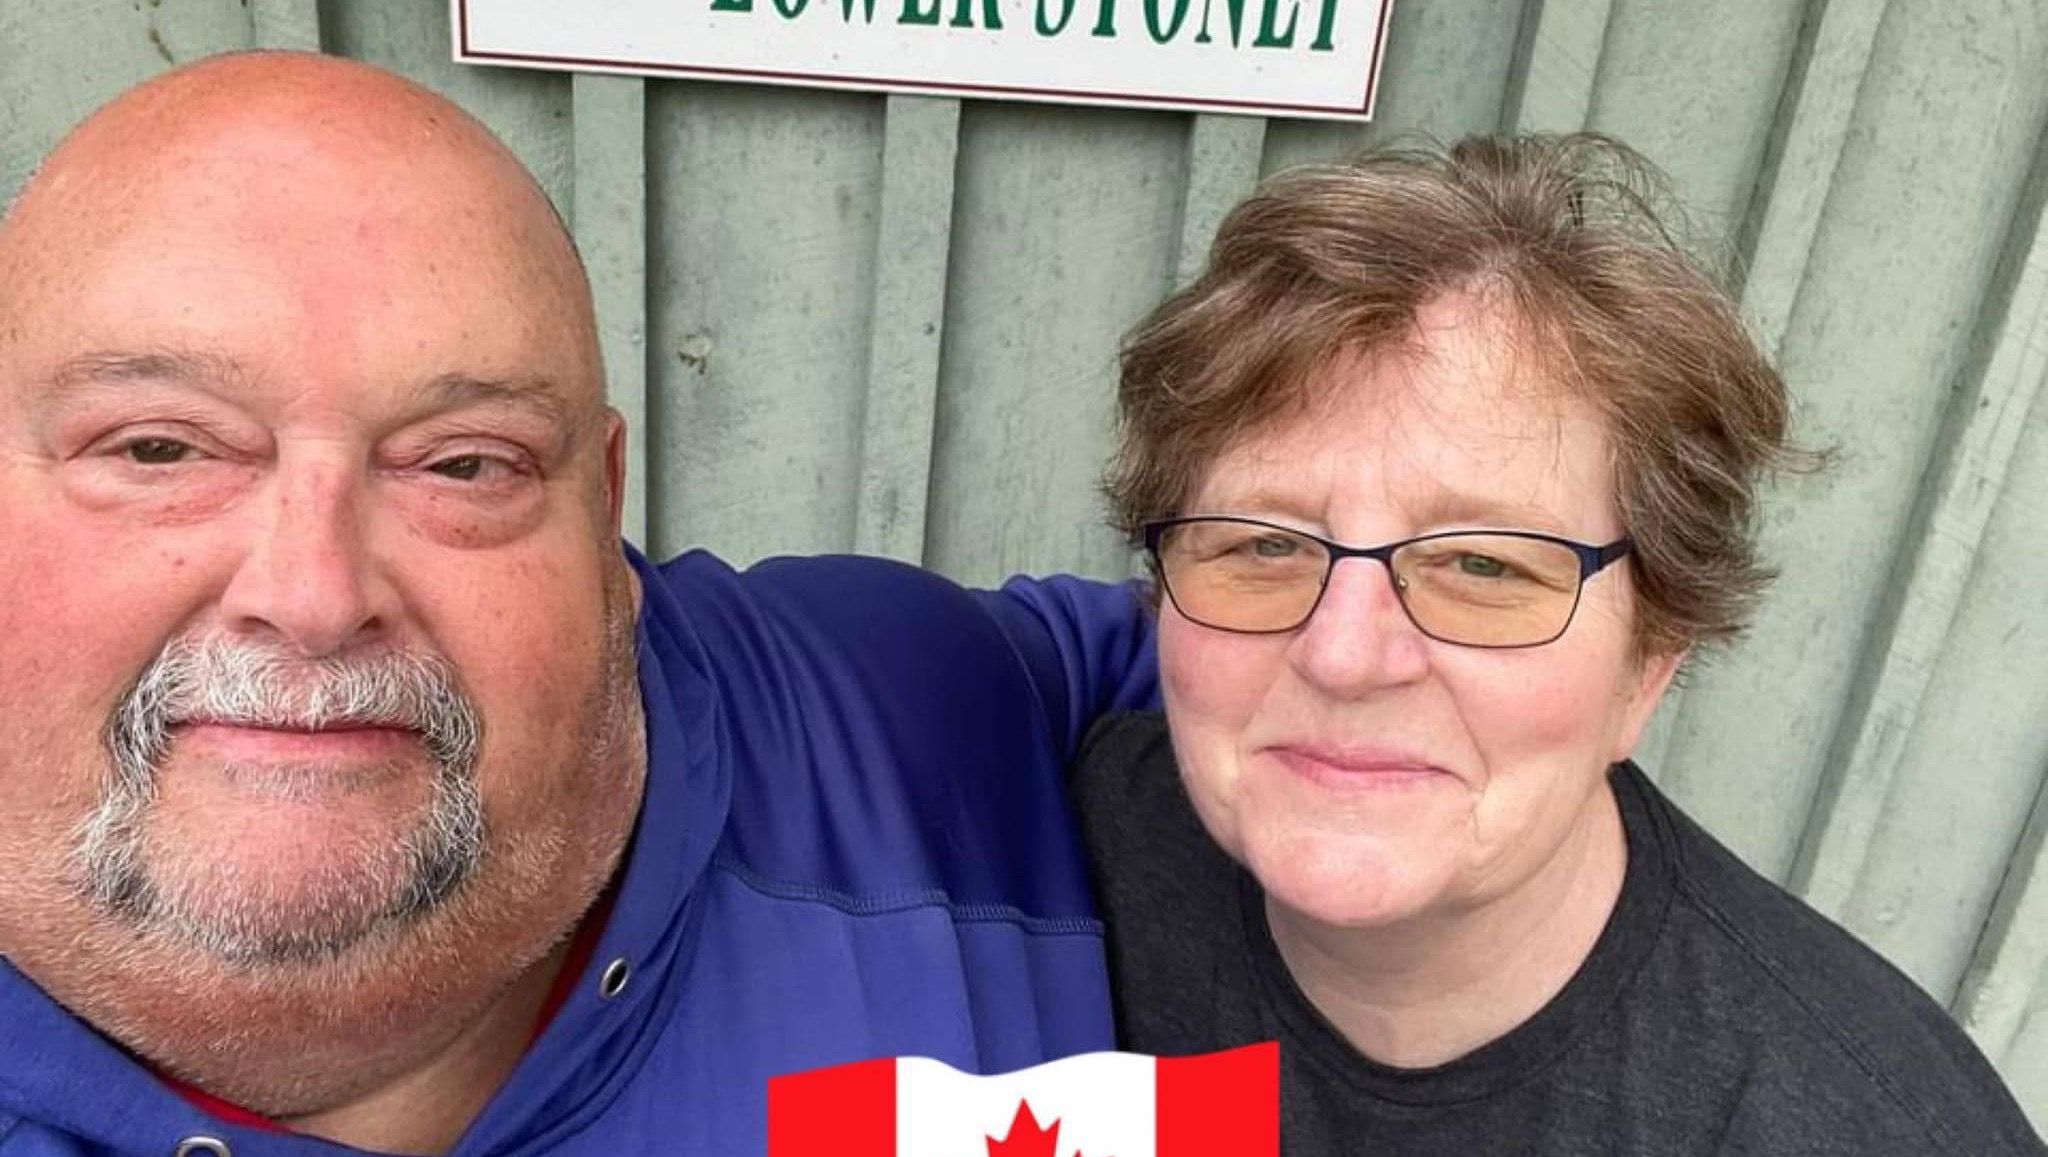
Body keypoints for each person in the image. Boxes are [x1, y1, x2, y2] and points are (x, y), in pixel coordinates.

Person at [0, 52, 1155, 1156]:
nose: (314, 595)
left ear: (602, 507)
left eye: (464, 463)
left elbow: (1238, 640)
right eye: (157, 448)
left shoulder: (886, 705)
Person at [1070, 135, 2047, 1155]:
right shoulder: (1049, 856)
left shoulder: (1864, 1127)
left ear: (1651, 655)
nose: (1344, 655)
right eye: (1263, 545)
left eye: (1484, 565)